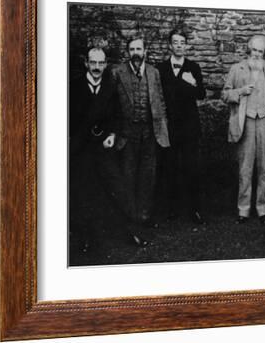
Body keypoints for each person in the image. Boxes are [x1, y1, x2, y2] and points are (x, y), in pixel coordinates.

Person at [69, 48, 148, 253]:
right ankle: (86, 238)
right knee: (83, 191)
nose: (96, 68)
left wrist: (112, 134)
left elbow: (118, 115)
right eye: (93, 63)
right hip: (81, 147)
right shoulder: (74, 86)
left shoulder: (110, 86)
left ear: (105, 64)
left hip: (104, 146)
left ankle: (129, 231)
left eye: (100, 63)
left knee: (117, 187)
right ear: (86, 63)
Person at [222, 35, 265, 225]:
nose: (257, 54)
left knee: (264, 168)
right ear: (249, 50)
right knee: (245, 168)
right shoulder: (237, 69)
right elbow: (224, 94)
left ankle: (263, 209)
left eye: (261, 51)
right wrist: (240, 92)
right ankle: (244, 209)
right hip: (245, 122)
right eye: (254, 50)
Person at [111, 36, 170, 227]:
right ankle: (130, 216)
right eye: (132, 49)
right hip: (127, 133)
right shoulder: (117, 72)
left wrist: (162, 128)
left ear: (145, 51)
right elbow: (110, 104)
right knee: (128, 174)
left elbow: (160, 101)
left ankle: (145, 215)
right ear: (127, 52)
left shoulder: (153, 72)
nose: (136, 53)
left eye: (139, 49)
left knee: (148, 175)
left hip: (150, 132)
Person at [156, 29, 207, 224]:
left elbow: (201, 94)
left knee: (191, 168)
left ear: (186, 46)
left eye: (182, 42)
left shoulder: (193, 67)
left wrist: (192, 83)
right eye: (175, 42)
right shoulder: (160, 69)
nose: (178, 45)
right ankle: (171, 209)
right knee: (170, 168)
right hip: (169, 126)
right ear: (170, 45)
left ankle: (195, 210)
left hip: (189, 127)